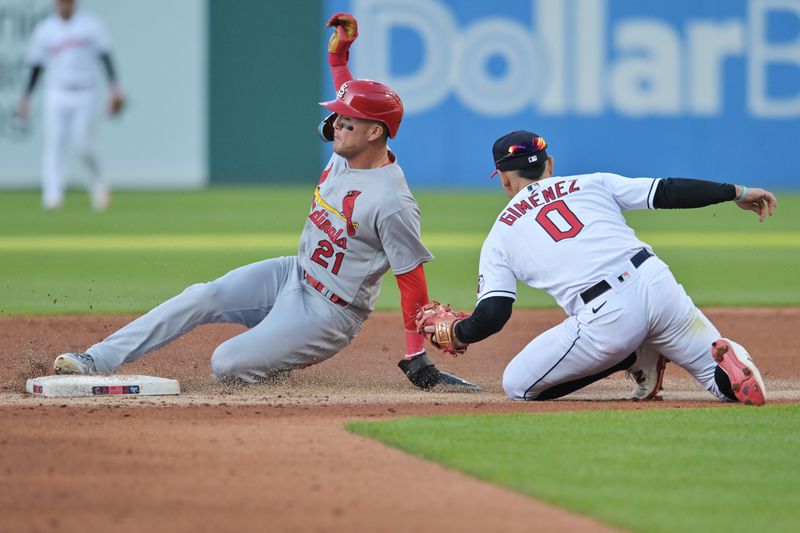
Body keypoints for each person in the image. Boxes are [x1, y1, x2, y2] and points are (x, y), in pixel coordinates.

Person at [52, 13, 478, 393]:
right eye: (338, 115)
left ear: (375, 134)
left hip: (330, 314)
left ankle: (275, 359)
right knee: (204, 294)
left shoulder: (391, 201)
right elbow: (350, 99)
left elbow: (411, 280)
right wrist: (338, 59)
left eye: (347, 120)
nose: (336, 124)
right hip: (291, 273)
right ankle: (97, 358)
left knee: (226, 364)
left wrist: (415, 354)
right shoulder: (348, 149)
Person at [417, 130, 776, 404]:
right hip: (656, 283)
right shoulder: (592, 183)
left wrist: (459, 333)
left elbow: (493, 314)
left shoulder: (500, 234)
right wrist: (737, 192)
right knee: (720, 385)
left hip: (607, 318)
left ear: (504, 180)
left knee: (518, 385)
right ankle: (726, 356)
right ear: (550, 165)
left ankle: (633, 355)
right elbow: (667, 191)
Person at [17, 0, 125, 212]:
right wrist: (26, 96)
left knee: (84, 145)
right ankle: (52, 197)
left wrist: (115, 87)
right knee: (54, 145)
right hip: (56, 92)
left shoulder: (91, 25)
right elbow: (36, 65)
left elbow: (105, 56)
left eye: (67, 1)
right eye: (60, 2)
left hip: (85, 91)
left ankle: (99, 187)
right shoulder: (45, 29)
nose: (64, 5)